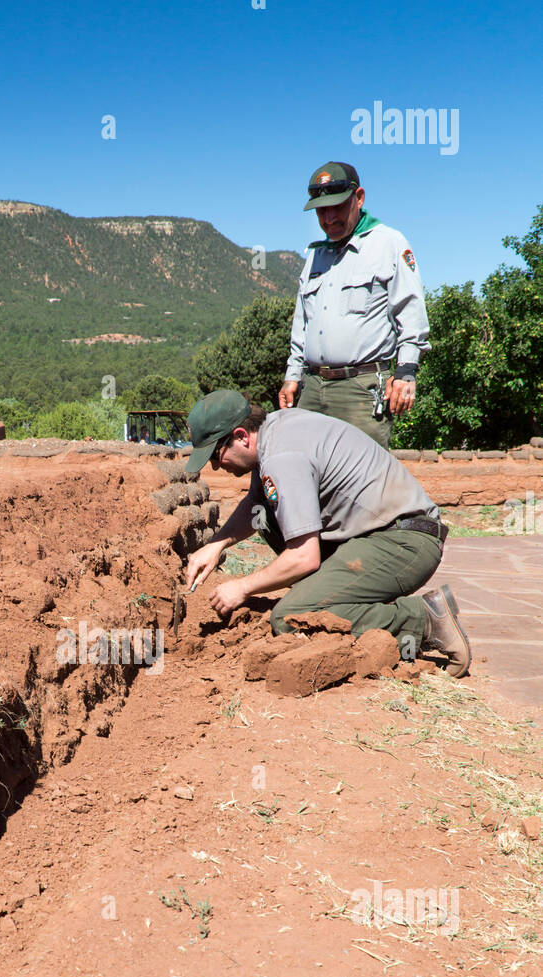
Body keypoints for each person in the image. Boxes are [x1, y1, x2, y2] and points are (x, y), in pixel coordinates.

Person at [183, 389, 471, 675]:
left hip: (404, 543)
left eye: (216, 455)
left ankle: (424, 619)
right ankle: (335, 598)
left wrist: (242, 587)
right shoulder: (276, 429)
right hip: (382, 534)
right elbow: (255, 504)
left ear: (241, 436)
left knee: (290, 617)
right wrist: (216, 545)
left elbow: (304, 557)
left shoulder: (281, 457)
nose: (216, 466)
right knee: (268, 515)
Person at [278, 162, 429, 447]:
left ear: (358, 198)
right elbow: (302, 325)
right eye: (322, 210)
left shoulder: (388, 243)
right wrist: (292, 377)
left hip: (361, 390)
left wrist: (406, 372)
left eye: (337, 207)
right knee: (306, 471)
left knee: (364, 479)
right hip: (312, 388)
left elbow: (410, 313)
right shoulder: (315, 256)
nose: (329, 217)